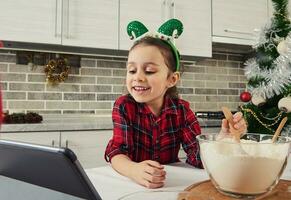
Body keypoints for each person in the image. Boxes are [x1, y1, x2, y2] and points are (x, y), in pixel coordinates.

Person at [104, 19, 247, 189]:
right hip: (130, 183)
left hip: (168, 184)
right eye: (132, 70)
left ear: (172, 79)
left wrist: (223, 140)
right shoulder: (123, 106)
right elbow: (117, 153)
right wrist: (134, 170)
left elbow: (197, 157)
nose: (137, 77)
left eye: (149, 71)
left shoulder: (182, 111)